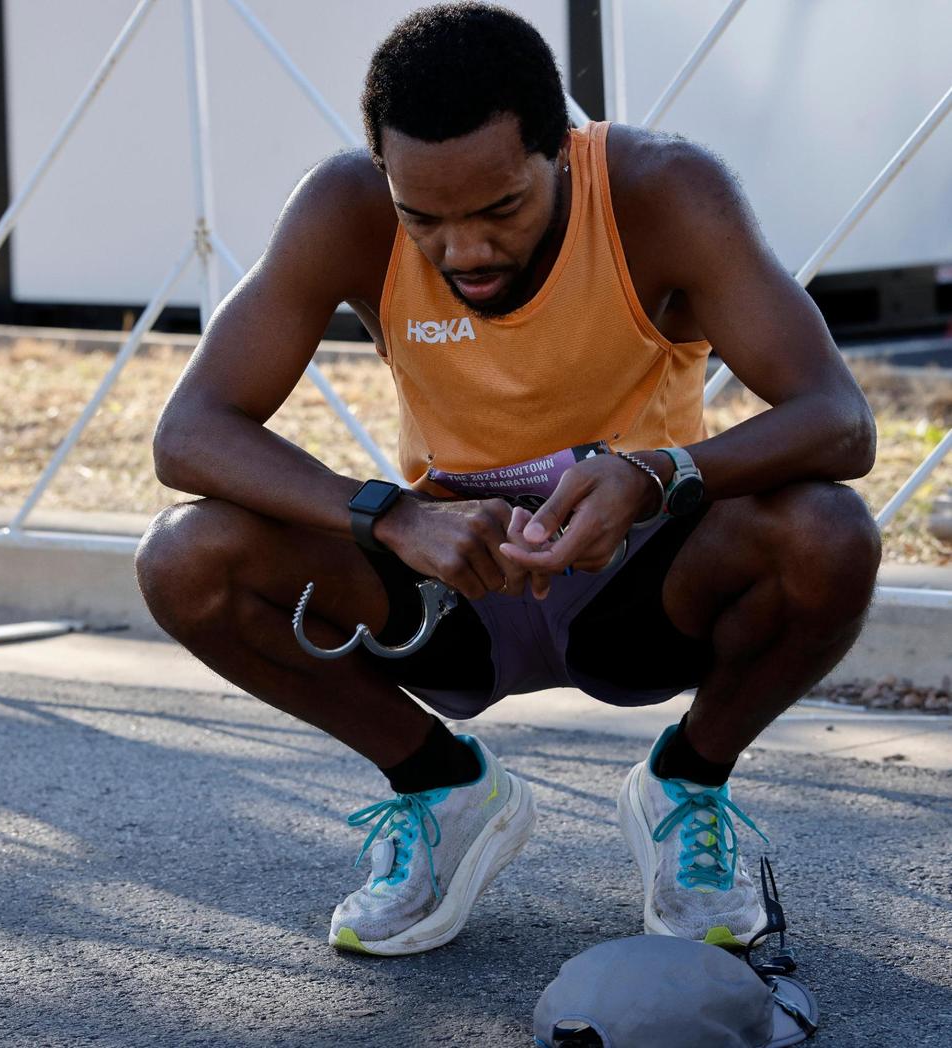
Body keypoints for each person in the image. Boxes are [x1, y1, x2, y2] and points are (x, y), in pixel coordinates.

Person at [136, 3, 880, 957]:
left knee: (830, 533)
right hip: (454, 581)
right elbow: (190, 433)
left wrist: (657, 478)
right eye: (425, 219)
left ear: (563, 151)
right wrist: (389, 516)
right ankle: (440, 788)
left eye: (500, 210)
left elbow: (839, 419)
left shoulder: (665, 191)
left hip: (640, 577)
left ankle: (688, 784)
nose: (465, 251)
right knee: (186, 558)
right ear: (384, 177)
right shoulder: (345, 208)